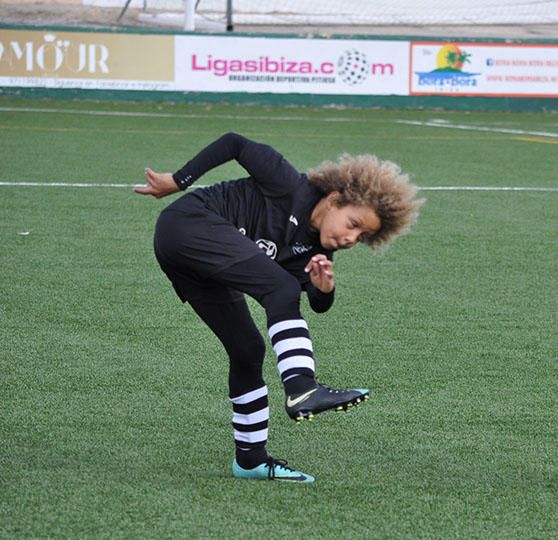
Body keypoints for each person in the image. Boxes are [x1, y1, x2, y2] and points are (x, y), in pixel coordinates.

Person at [135, 133, 424, 483]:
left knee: (248, 348)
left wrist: (324, 288)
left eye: (362, 237)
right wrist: (179, 180)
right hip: (188, 224)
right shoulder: (288, 184)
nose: (351, 238)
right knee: (282, 286)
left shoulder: (316, 253)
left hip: (194, 264)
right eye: (353, 223)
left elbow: (314, 305)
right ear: (334, 199)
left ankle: (251, 459)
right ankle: (302, 386)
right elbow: (234, 143)